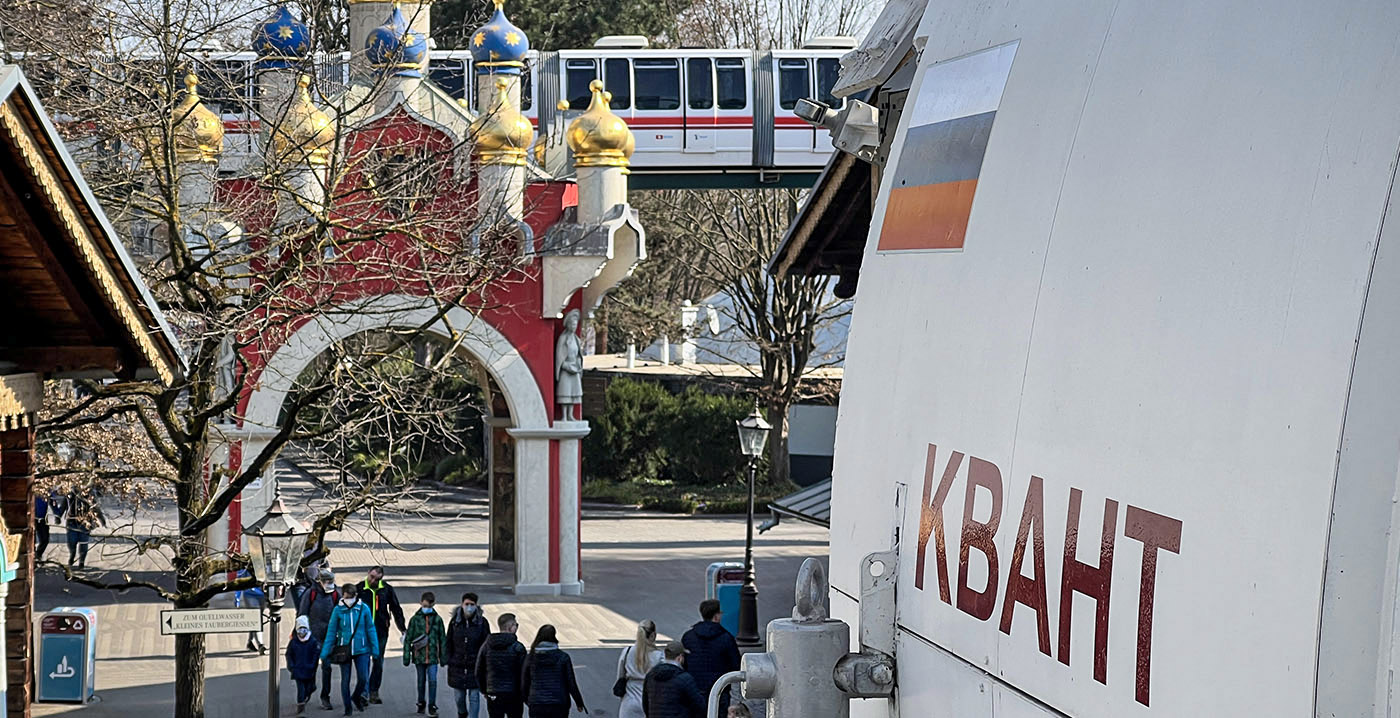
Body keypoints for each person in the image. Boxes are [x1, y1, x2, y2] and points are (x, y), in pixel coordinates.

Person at [321, 583, 379, 716]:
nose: (348, 600)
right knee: (345, 680)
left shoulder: (363, 608)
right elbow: (331, 631)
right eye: (346, 597)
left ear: (355, 596)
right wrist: (325, 652)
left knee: (363, 678)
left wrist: (375, 649)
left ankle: (356, 697)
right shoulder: (338, 610)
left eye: (350, 597)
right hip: (344, 650)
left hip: (362, 649)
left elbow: (370, 628)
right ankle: (348, 707)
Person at [681, 600, 741, 717]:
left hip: (694, 691)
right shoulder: (726, 638)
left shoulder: (688, 637)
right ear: (716, 616)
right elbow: (736, 666)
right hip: (719, 691)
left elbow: (684, 665)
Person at [360, 565, 406, 704]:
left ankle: (374, 691)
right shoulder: (359, 589)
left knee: (378, 661)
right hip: (363, 632)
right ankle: (364, 692)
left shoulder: (386, 589)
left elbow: (396, 609)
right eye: (371, 576)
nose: (372, 580)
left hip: (380, 631)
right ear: (368, 573)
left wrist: (402, 628)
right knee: (364, 662)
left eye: (376, 579)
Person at [521, 625, 586, 717]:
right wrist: (579, 702)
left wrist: (528, 700)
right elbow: (571, 683)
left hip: (537, 703)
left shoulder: (530, 658)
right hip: (559, 703)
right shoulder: (563, 657)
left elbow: (524, 682)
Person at [298, 570, 340, 710]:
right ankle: (310, 687)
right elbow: (302, 614)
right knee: (311, 666)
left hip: (328, 637)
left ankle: (325, 697)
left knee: (326, 667)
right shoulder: (310, 594)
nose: (330, 584)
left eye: (331, 582)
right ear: (320, 582)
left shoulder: (335, 594)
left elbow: (341, 613)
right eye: (327, 582)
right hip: (313, 636)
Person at [403, 591, 448, 717]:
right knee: (421, 681)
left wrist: (443, 657)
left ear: (433, 604)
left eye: (428, 606)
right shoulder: (415, 620)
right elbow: (408, 639)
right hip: (419, 656)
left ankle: (432, 705)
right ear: (420, 603)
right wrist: (407, 656)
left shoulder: (438, 620)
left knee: (433, 680)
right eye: (424, 606)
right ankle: (421, 702)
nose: (426, 609)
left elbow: (442, 639)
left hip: (433, 656)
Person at [446, 592, 490, 718]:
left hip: (475, 666)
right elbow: (448, 641)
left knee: (474, 697)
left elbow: (486, 643)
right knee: (459, 697)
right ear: (462, 604)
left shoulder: (482, 623)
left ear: (476, 606)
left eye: (472, 604)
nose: (469, 607)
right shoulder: (455, 622)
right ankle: (462, 713)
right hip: (457, 666)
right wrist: (448, 658)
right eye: (467, 604)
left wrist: (484, 662)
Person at [474, 613, 527, 718]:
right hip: (514, 693)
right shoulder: (518, 647)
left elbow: (478, 670)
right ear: (510, 627)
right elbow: (524, 673)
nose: (517, 627)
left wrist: (484, 690)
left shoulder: (486, 646)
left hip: (493, 692)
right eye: (516, 625)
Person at [642, 639, 706, 718]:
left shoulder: (651, 676)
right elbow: (699, 705)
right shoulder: (685, 678)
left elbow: (646, 704)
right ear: (680, 658)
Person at [617, 620, 664, 718]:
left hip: (629, 703)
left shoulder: (627, 652)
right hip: (650, 703)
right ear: (653, 635)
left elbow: (620, 677)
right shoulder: (659, 656)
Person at [287, 615, 322, 715]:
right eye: (299, 630)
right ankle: (301, 708)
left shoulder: (313, 642)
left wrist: (312, 665)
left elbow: (315, 655)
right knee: (300, 689)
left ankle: (308, 693)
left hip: (309, 670)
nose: (302, 633)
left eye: (304, 629)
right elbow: (289, 654)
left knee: (309, 687)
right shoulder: (293, 642)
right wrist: (291, 666)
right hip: (298, 670)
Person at [64, 489, 103, 568]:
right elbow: (64, 506)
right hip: (72, 524)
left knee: (83, 544)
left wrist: (101, 520)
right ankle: (72, 554)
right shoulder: (70, 495)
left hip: (85, 525)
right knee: (72, 542)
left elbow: (96, 509)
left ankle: (82, 561)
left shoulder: (91, 497)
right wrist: (58, 515)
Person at [234, 569, 267, 654]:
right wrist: (237, 597)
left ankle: (250, 642)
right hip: (250, 594)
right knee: (256, 619)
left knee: (256, 619)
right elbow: (239, 579)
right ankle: (260, 644)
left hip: (263, 595)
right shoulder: (246, 563)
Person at [34, 495, 49, 562]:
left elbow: (53, 503)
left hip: (43, 520)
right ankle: (32, 556)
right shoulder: (33, 493)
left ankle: (38, 554)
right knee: (31, 539)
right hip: (32, 519)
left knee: (45, 539)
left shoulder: (47, 493)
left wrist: (58, 515)